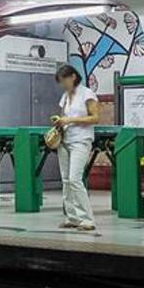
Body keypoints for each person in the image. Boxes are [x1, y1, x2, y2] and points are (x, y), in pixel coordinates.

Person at [52, 65, 100, 231]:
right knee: (66, 180)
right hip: (64, 140)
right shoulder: (65, 96)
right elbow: (64, 117)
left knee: (74, 179)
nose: (62, 85)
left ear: (72, 77)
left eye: (64, 80)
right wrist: (60, 121)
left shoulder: (87, 94)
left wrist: (70, 120)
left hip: (81, 140)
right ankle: (71, 217)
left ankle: (87, 219)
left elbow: (95, 118)